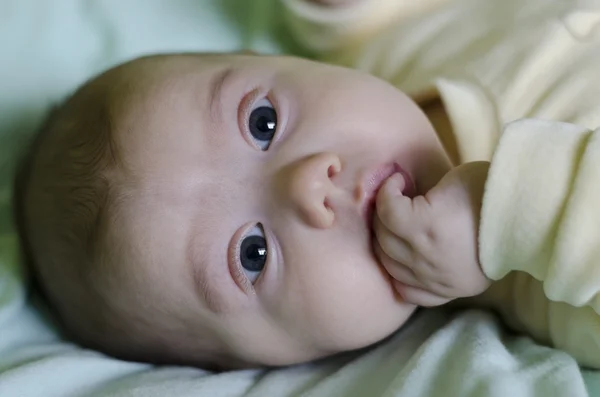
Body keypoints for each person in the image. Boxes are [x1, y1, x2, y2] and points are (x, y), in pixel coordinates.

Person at [15, 0, 600, 370]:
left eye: (262, 122)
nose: (306, 186)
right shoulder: (555, 292)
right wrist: (517, 217)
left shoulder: (385, 52)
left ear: (262, 57)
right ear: (275, 361)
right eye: (253, 253)